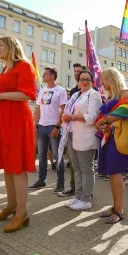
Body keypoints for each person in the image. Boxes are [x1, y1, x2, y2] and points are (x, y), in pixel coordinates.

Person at [0, 36, 37, 233]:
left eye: (1, 45)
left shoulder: (24, 66)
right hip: (2, 117)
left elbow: (27, 94)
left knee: (17, 166)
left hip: (16, 119)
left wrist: (1, 95)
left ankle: (21, 213)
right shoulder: (5, 68)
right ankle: (11, 205)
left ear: (12, 46)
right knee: (8, 166)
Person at [95, 67, 128, 224]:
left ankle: (119, 210)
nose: (101, 83)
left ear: (110, 78)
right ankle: (115, 206)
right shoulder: (110, 95)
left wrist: (104, 121)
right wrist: (100, 124)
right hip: (109, 137)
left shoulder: (123, 93)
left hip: (119, 137)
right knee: (111, 174)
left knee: (116, 173)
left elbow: (127, 111)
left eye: (103, 80)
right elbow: (105, 116)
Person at [61, 71, 102, 210]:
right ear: (78, 82)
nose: (84, 82)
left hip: (86, 135)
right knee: (77, 168)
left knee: (86, 168)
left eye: (87, 79)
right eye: (81, 79)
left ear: (92, 82)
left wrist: (72, 117)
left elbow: (92, 117)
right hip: (72, 133)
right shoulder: (75, 95)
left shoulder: (94, 94)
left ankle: (86, 199)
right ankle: (78, 196)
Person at [28, 68, 67, 193]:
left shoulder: (60, 91)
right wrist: (35, 125)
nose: (43, 75)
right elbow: (38, 109)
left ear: (52, 76)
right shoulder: (43, 91)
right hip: (41, 127)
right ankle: (41, 181)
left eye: (45, 74)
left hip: (53, 127)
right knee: (41, 155)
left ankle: (60, 184)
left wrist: (57, 126)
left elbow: (63, 110)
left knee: (57, 156)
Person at [58, 63, 85, 197]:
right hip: (71, 130)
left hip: (84, 131)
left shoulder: (92, 91)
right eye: (75, 71)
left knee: (84, 164)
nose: (76, 73)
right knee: (73, 162)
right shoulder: (74, 91)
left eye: (79, 71)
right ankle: (74, 187)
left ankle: (86, 191)